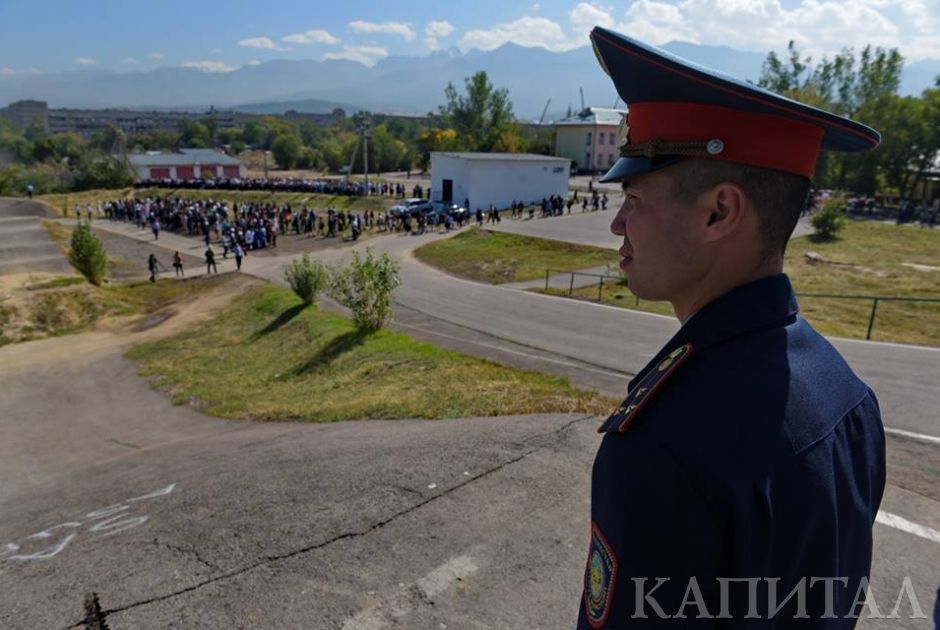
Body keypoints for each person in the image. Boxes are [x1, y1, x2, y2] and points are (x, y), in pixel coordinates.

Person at [576, 27, 886, 628]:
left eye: (635, 198)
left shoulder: (664, 446)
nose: (618, 224)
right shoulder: (849, 395)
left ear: (719, 212)